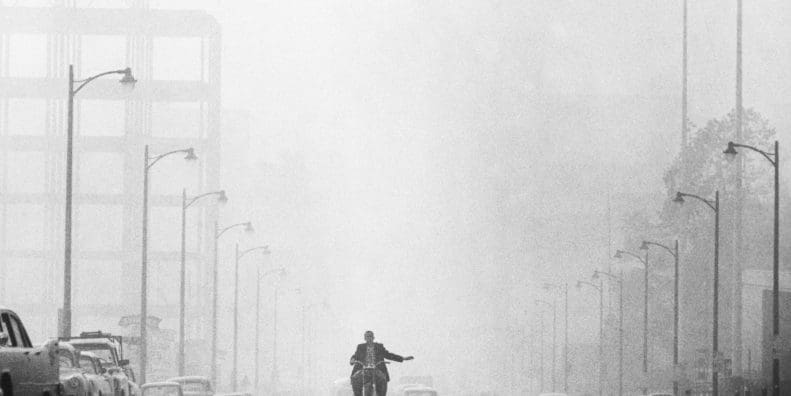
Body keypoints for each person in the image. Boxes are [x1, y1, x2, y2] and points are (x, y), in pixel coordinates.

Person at [349, 330, 413, 396]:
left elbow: (388, 355)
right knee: (355, 378)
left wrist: (402, 358)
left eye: (370, 336)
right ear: (365, 338)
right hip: (363, 370)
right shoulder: (360, 347)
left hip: (377, 369)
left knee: (382, 379)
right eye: (367, 336)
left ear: (373, 337)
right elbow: (356, 355)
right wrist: (352, 360)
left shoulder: (379, 346)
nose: (369, 338)